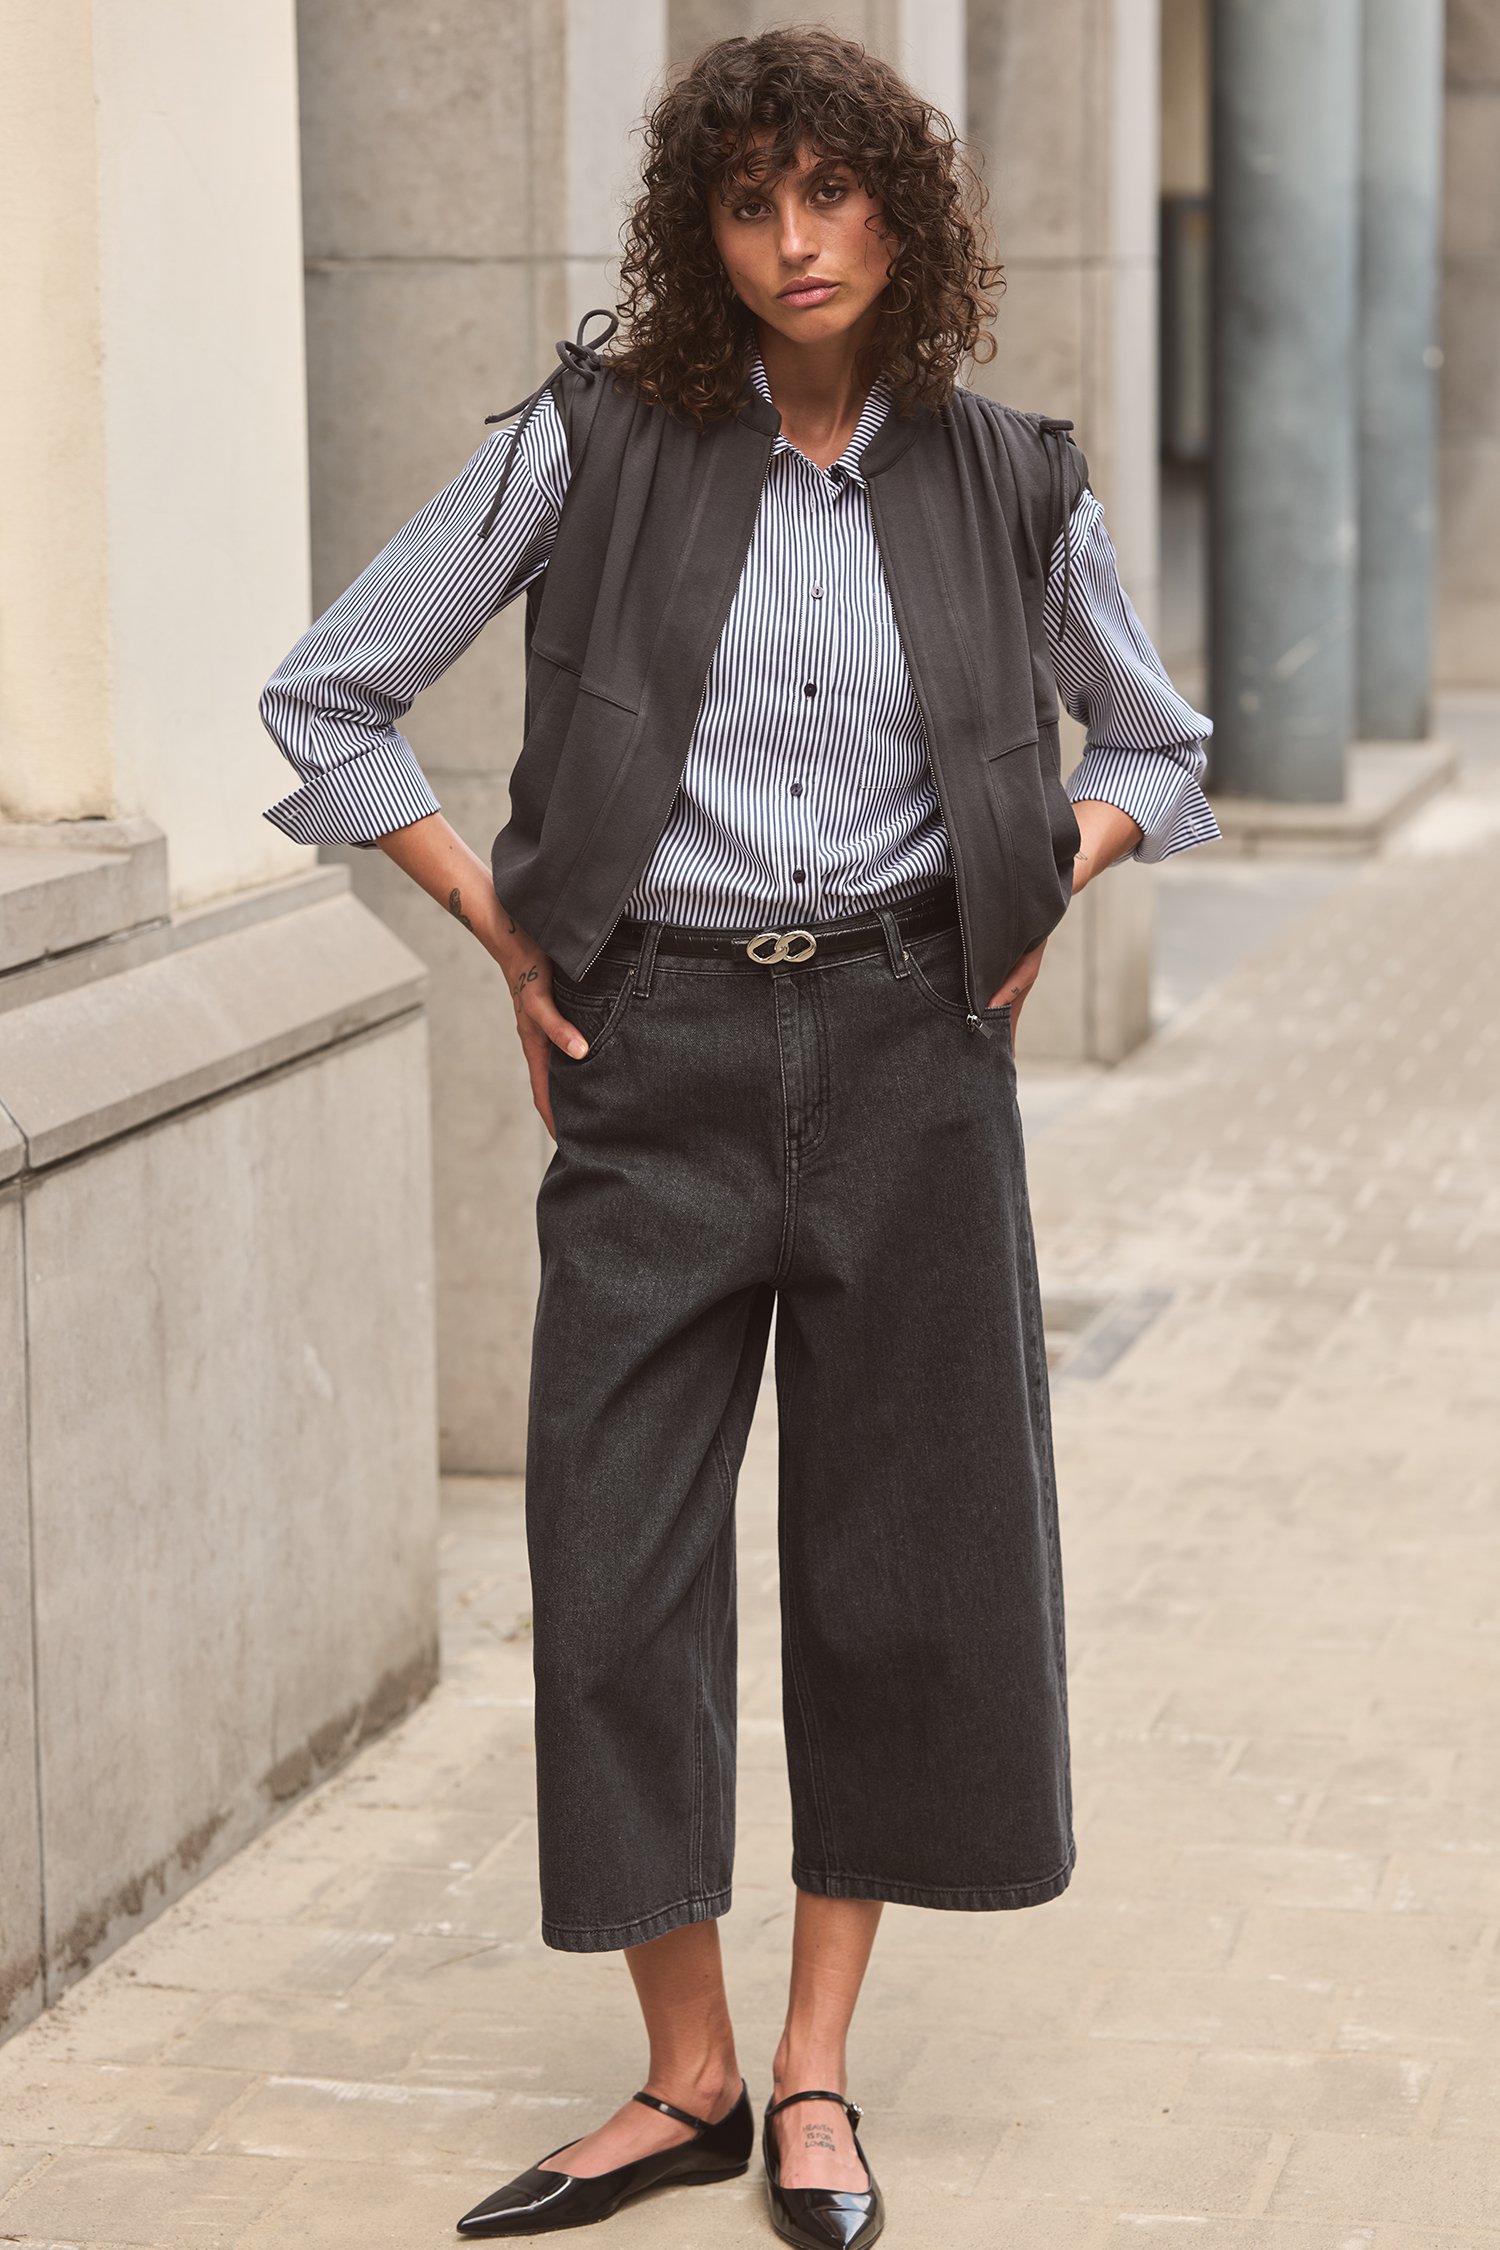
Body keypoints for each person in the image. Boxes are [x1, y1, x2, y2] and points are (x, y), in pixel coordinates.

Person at [261, 27, 1216, 2247]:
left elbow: (1158, 745)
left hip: (912, 1057)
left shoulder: (1010, 477)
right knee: (615, 1564)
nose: (798, 245)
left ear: (909, 213)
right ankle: (680, 2072)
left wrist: (1039, 875)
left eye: (837, 196)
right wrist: (514, 940)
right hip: (652, 1060)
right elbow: (328, 692)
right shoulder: (593, 445)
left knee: (896, 1569)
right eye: (751, 204)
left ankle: (810, 2075)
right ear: (700, 230)